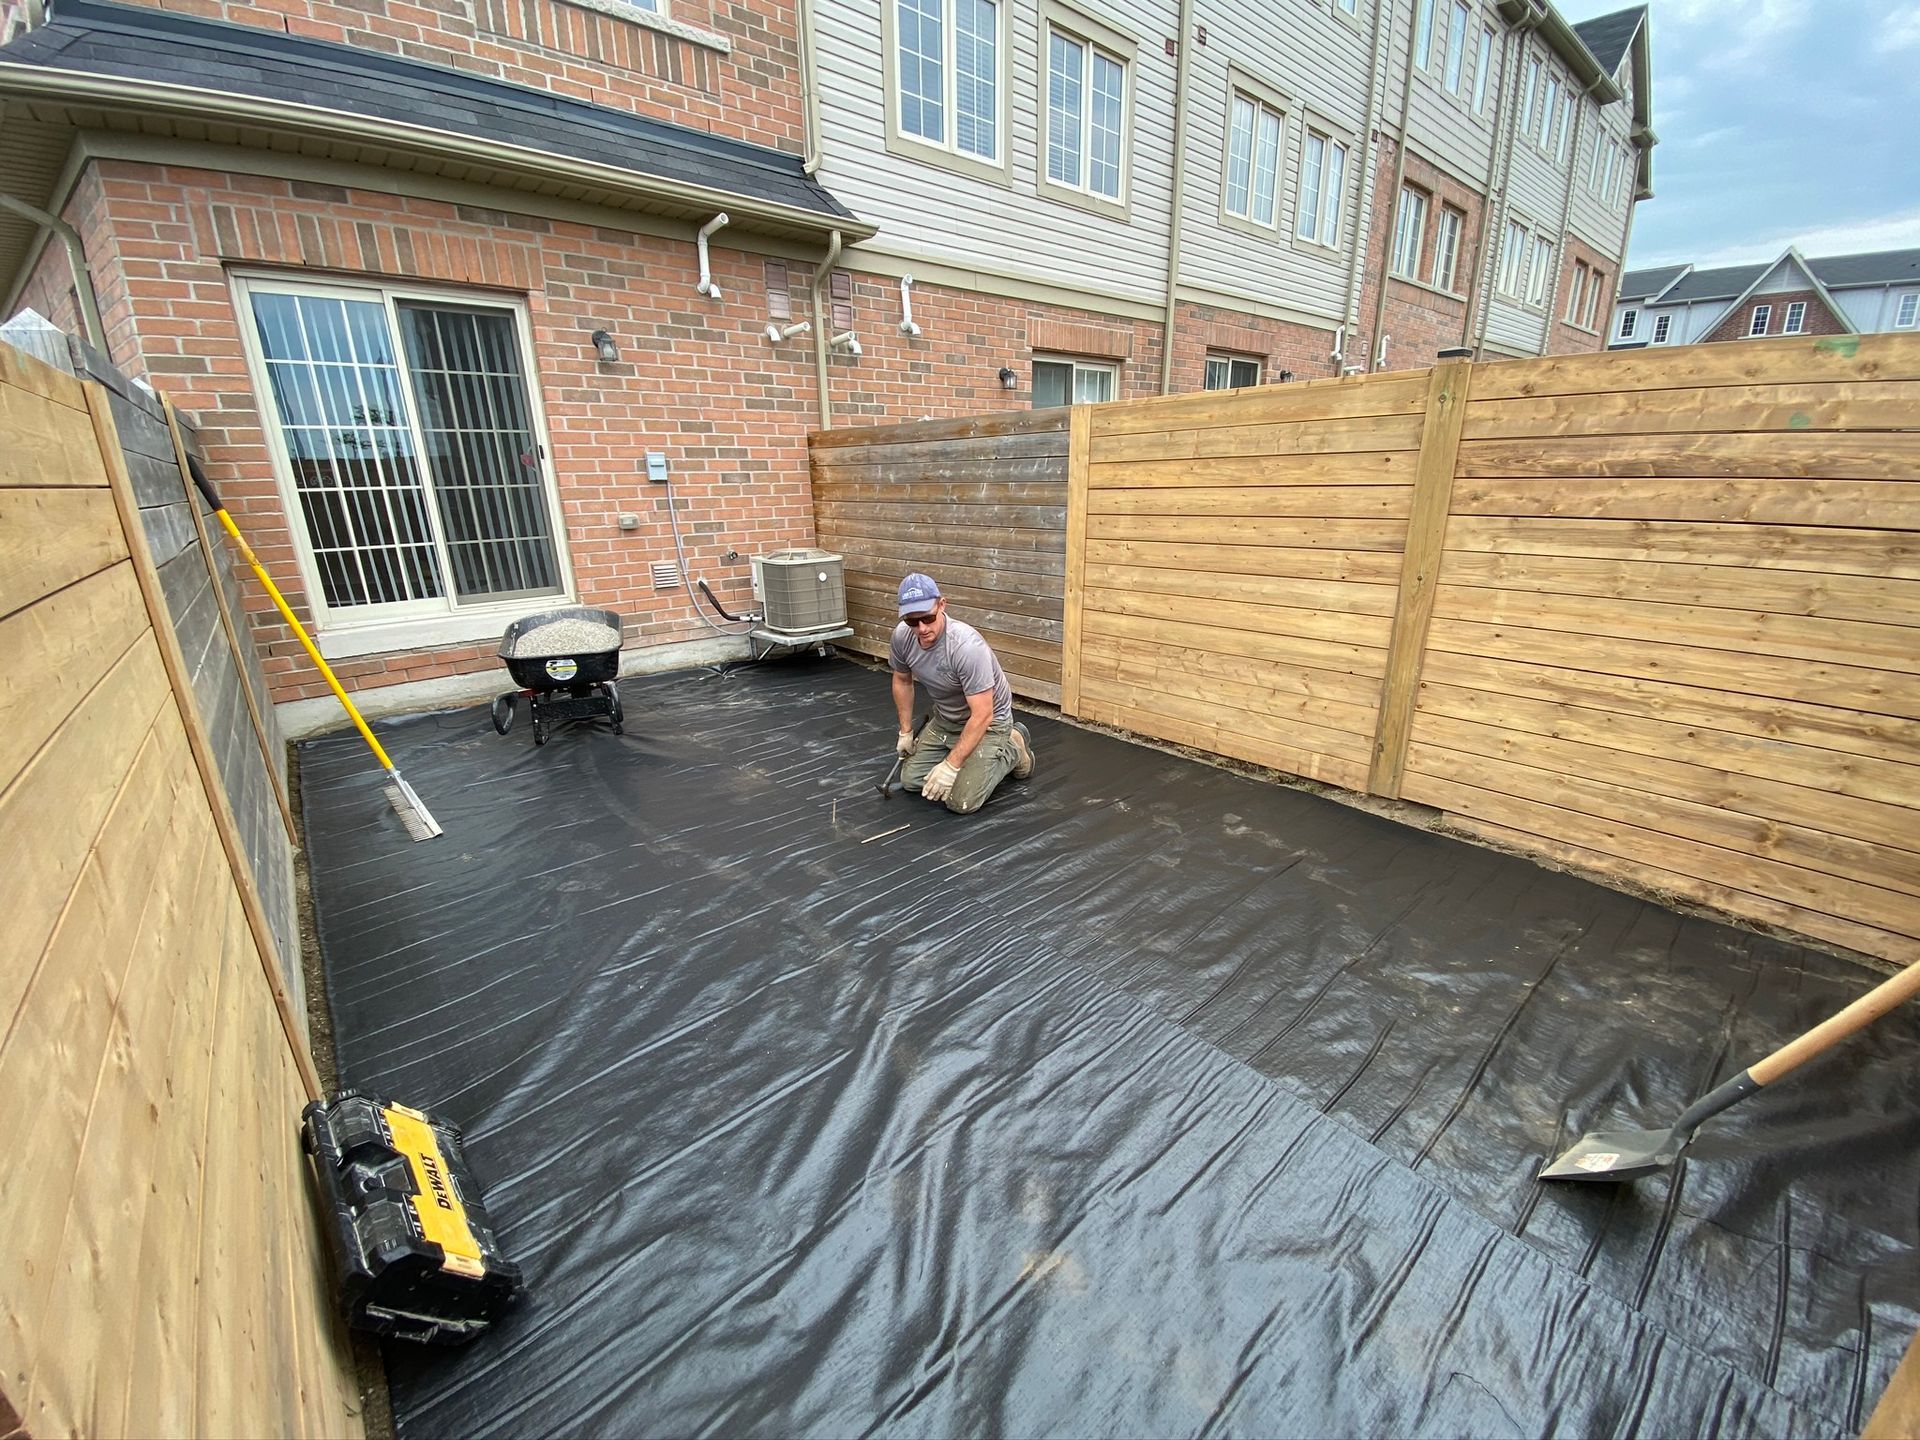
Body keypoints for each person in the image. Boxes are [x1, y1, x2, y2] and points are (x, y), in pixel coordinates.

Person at [889, 572, 1034, 813]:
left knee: (961, 802)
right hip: (947, 720)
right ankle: (964, 751)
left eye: (928, 617)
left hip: (989, 723)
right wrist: (905, 731)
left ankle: (1013, 748)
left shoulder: (966, 647)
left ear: (942, 605)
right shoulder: (902, 637)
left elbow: (983, 714)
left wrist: (951, 766)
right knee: (912, 782)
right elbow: (902, 680)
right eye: (912, 621)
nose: (922, 628)